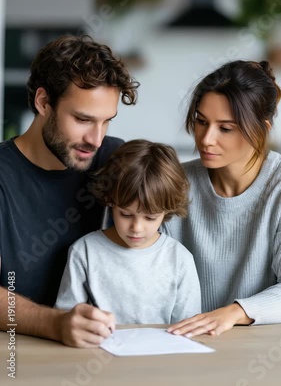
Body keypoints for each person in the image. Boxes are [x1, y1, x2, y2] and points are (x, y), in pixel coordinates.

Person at [0, 34, 139, 347]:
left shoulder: (114, 159)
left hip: (108, 350)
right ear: (43, 102)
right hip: (17, 356)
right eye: (83, 119)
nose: (96, 139)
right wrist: (54, 323)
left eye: (107, 122)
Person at [163, 59, 281, 339]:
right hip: (180, 344)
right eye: (201, 122)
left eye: (225, 128)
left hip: (261, 352)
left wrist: (234, 313)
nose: (206, 139)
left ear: (261, 130)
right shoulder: (173, 183)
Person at [55, 139, 201, 324]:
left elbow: (189, 329)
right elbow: (66, 320)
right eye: (125, 214)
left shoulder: (180, 260)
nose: (136, 228)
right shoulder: (84, 252)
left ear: (167, 210)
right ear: (110, 201)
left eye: (150, 218)